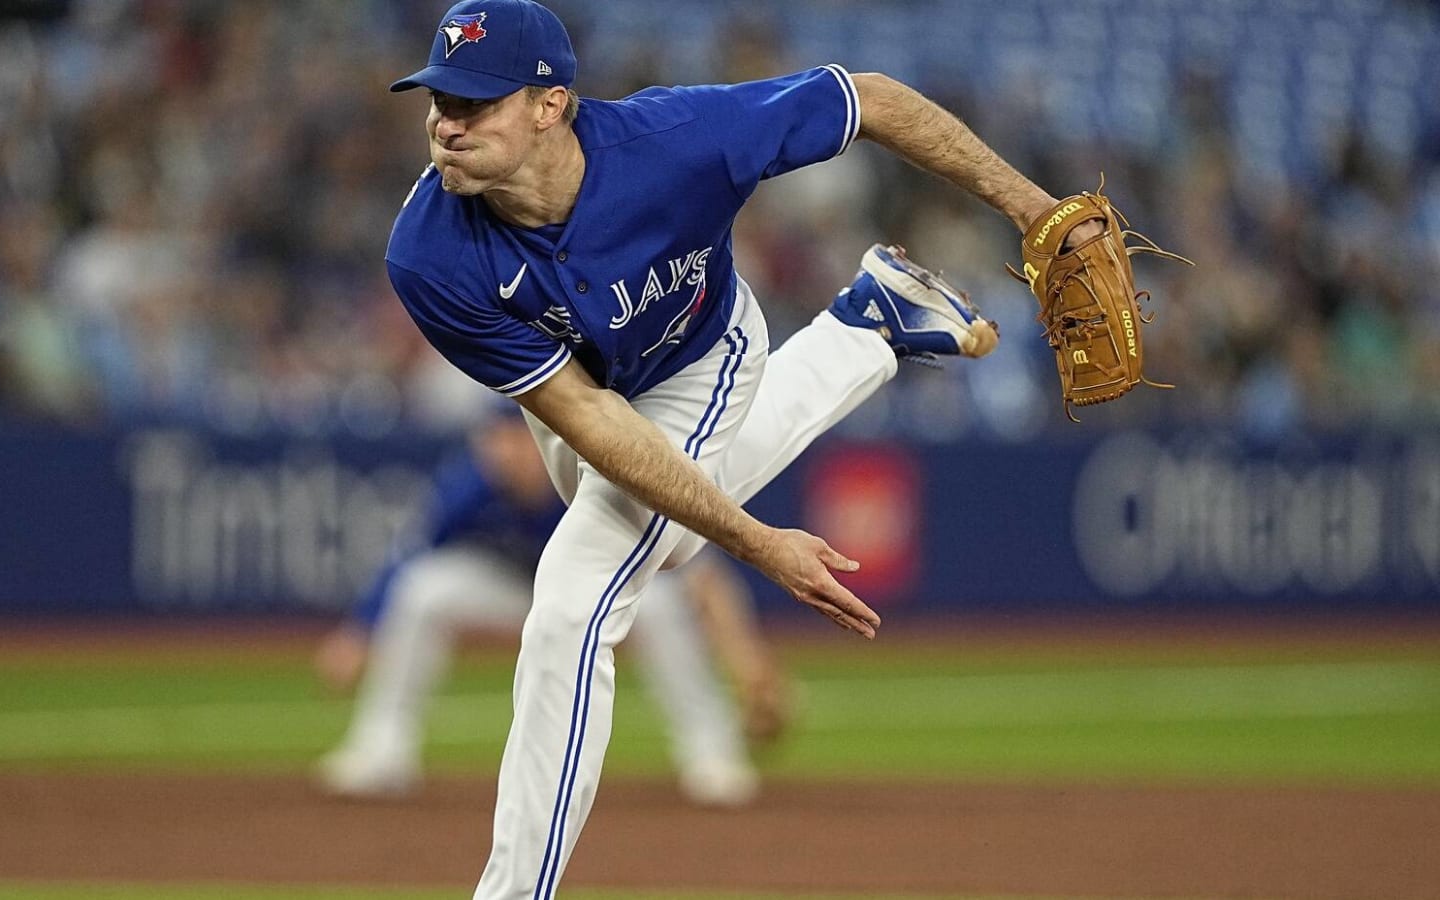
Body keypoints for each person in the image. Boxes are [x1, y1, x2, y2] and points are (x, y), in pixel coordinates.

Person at [383, 1, 1064, 894]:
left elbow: (872, 100)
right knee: (663, 544)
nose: (446, 123)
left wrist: (1037, 209)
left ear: (551, 104)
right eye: (439, 99)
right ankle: (869, 323)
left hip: (702, 356)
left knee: (573, 600)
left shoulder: (680, 137)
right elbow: (593, 424)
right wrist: (755, 540)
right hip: (580, 399)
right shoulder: (428, 253)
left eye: (475, 103)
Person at [313, 408, 787, 808]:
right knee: (424, 592)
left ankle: (710, 750)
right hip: (514, 590)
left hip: (592, 586)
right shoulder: (474, 484)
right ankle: (382, 747)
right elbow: (414, 552)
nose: (500, 452)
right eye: (493, 440)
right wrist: (359, 632)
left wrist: (748, 660)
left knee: (660, 605)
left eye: (513, 439)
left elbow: (695, 573)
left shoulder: (594, 476)